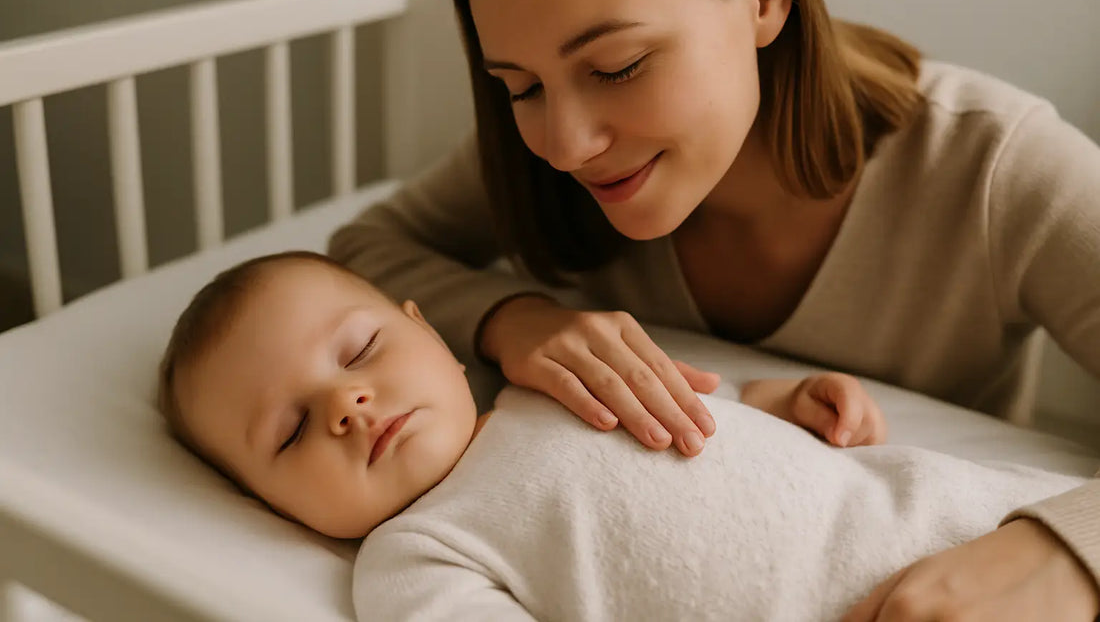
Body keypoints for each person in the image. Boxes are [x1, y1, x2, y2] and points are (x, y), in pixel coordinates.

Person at [327, 0, 1100, 618]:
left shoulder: (998, 167)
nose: (566, 144)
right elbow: (363, 247)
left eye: (617, 66)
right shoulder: (541, 165)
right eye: (520, 87)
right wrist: (515, 319)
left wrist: (1062, 550)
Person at [157, 251, 1084, 621]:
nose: (347, 406)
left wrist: (787, 399)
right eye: (288, 434)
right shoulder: (414, 554)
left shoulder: (558, 379)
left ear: (429, 328)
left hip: (963, 519)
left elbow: (706, 411)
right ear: (267, 502)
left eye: (361, 349)